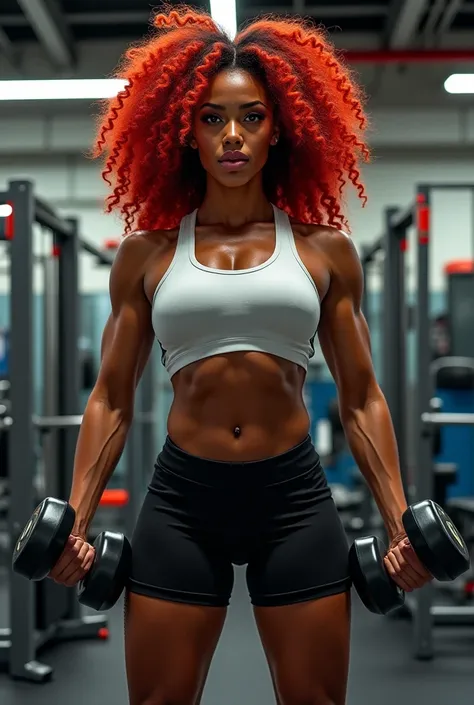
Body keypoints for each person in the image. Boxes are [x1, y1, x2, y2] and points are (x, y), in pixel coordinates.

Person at [49, 6, 432, 705]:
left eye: (251, 117)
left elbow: (361, 396)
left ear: (278, 127)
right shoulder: (147, 254)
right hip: (182, 500)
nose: (232, 135)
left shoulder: (324, 249)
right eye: (212, 119)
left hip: (292, 498)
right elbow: (110, 394)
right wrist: (74, 521)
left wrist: (401, 523)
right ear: (184, 133)